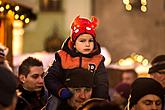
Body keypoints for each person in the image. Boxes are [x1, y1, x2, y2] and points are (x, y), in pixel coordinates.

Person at [44, 15, 109, 101]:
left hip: (89, 99)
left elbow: (102, 83)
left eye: (90, 40)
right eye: (82, 41)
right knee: (54, 102)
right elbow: (50, 77)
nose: (87, 44)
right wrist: (60, 91)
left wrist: (96, 100)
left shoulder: (98, 60)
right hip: (65, 97)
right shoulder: (62, 57)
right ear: (74, 43)